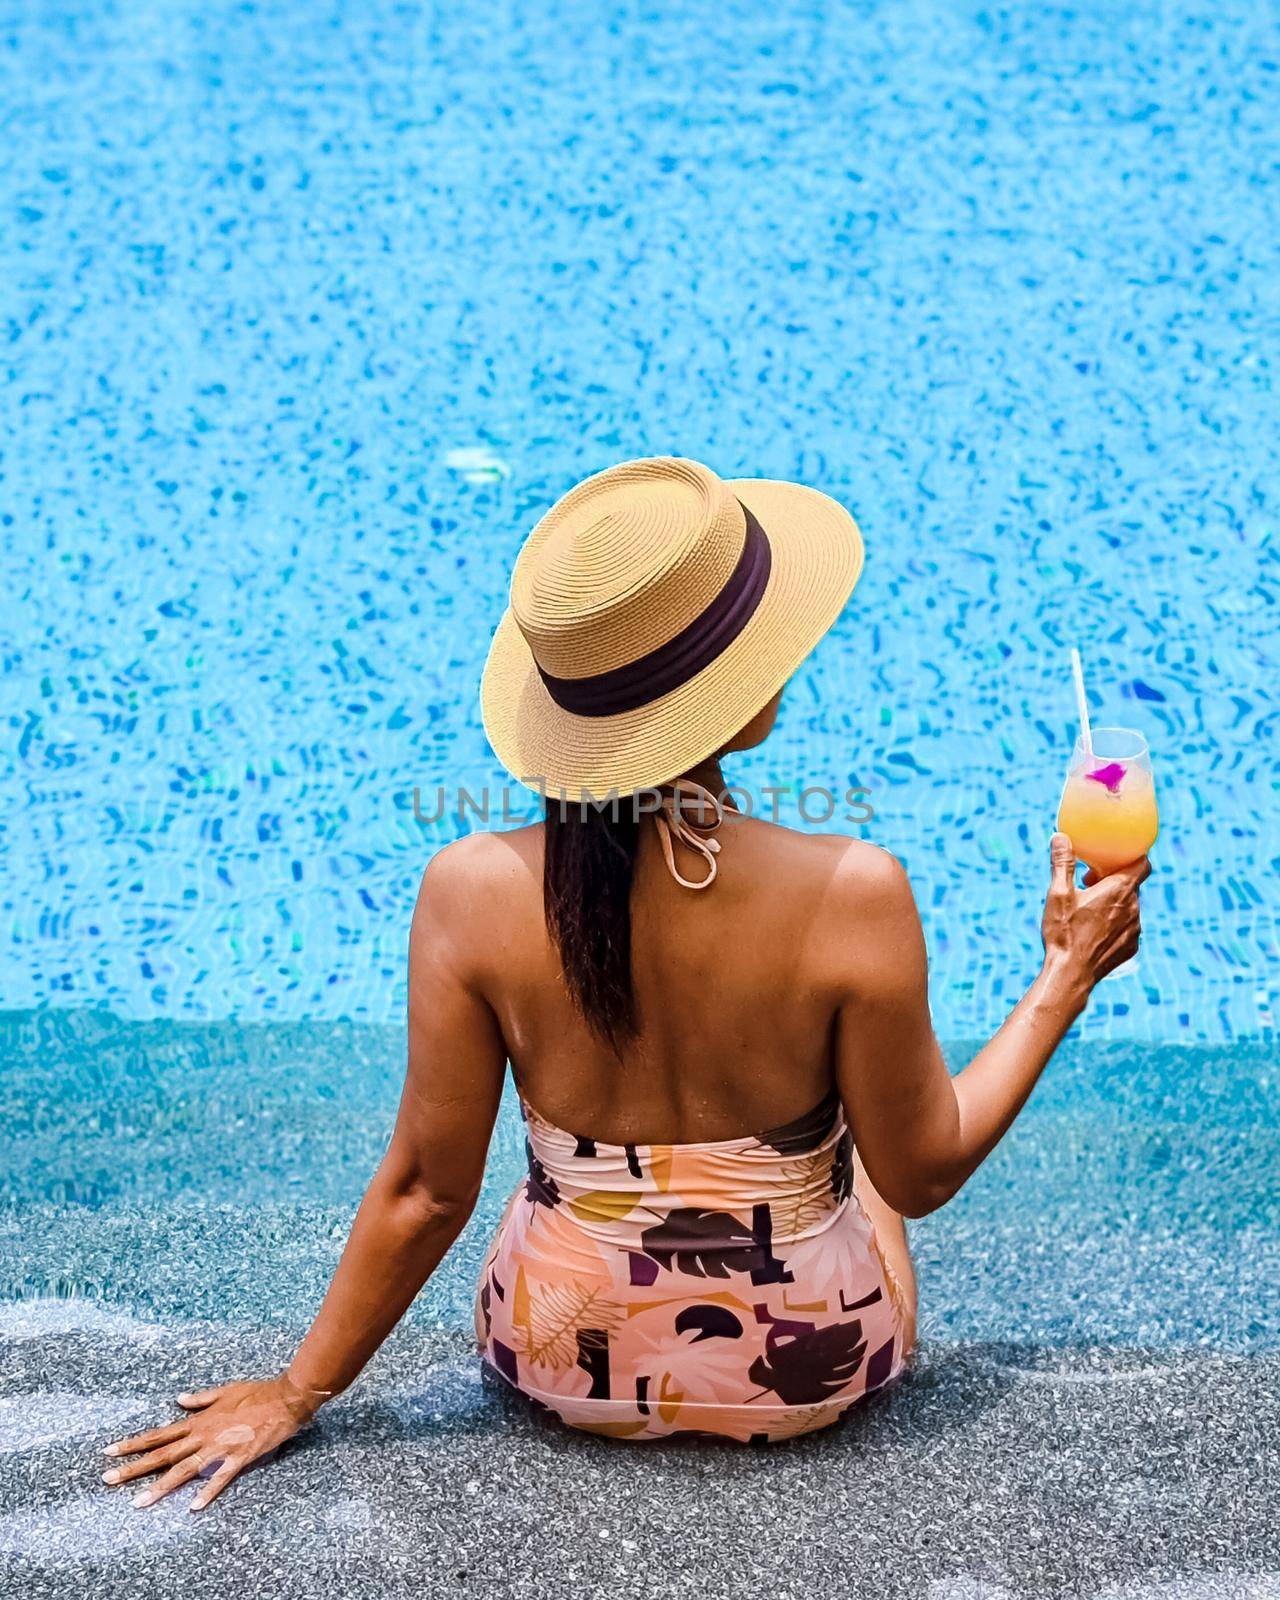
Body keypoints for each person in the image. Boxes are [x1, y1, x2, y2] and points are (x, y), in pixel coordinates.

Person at [103, 457, 1148, 1506]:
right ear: (729, 701)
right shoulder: (851, 891)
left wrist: (300, 1388)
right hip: (805, 1369)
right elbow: (922, 1171)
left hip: (558, 1358)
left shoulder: (468, 890)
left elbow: (427, 1192)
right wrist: (1065, 973)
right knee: (871, 1154)